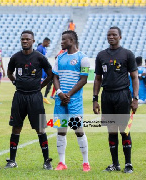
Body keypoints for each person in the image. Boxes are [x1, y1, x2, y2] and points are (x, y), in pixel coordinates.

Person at [93, 26, 139, 173]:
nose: (111, 37)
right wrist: (95, 99)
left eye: (114, 35)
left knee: (124, 130)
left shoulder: (127, 54)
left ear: (120, 36)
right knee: (111, 130)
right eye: (109, 35)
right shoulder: (101, 55)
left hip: (122, 95)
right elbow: (98, 79)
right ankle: (115, 164)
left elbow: (134, 77)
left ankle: (128, 164)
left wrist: (135, 98)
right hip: (106, 96)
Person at [5, 30, 53, 170]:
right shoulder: (15, 57)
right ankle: (12, 160)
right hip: (19, 96)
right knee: (16, 128)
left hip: (35, 97)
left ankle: (46, 161)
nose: (25, 41)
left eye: (27, 39)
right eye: (23, 39)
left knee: (40, 129)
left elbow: (50, 75)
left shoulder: (39, 57)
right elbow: (9, 72)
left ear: (33, 41)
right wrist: (15, 82)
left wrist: (40, 86)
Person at [52, 30, 91, 172]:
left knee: (78, 130)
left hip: (74, 102)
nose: (61, 42)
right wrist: (60, 93)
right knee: (61, 130)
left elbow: (84, 79)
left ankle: (85, 163)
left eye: (64, 39)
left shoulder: (83, 58)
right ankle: (61, 162)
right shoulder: (59, 58)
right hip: (60, 101)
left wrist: (68, 94)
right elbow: (55, 77)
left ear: (72, 41)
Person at [36, 37, 52, 104]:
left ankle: (44, 97)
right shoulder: (39, 48)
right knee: (39, 83)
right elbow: (36, 58)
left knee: (49, 80)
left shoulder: (44, 48)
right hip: (40, 69)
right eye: (48, 43)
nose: (48, 44)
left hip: (44, 69)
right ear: (45, 42)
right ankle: (37, 97)